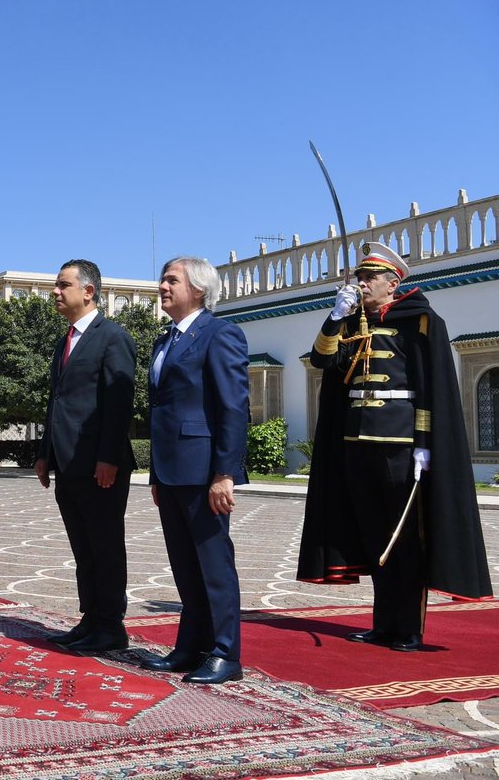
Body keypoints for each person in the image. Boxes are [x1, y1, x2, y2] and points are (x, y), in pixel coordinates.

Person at [296, 243, 491, 650]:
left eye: (369, 278)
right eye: (360, 277)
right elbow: (322, 361)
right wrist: (335, 317)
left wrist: (423, 444)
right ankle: (383, 624)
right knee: (374, 538)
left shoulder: (420, 319)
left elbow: (429, 386)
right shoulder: (350, 322)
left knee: (404, 540)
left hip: (399, 444)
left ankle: (408, 629)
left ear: (392, 282)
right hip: (354, 443)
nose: (362, 284)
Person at [141, 256, 249, 685]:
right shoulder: (164, 339)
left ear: (199, 289)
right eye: (163, 279)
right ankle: (190, 646)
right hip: (170, 471)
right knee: (185, 565)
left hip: (204, 471)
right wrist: (154, 472)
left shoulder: (220, 334)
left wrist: (224, 473)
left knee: (214, 564)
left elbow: (233, 407)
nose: (163, 286)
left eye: (172, 280)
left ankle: (226, 653)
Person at [34, 259, 136, 652]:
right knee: (83, 546)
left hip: (100, 466)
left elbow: (118, 401)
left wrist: (108, 456)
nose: (55, 293)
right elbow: (55, 403)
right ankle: (90, 617)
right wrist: (45, 454)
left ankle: (111, 626)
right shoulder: (66, 340)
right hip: (68, 463)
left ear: (88, 291)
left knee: (105, 544)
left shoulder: (113, 337)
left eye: (63, 285)